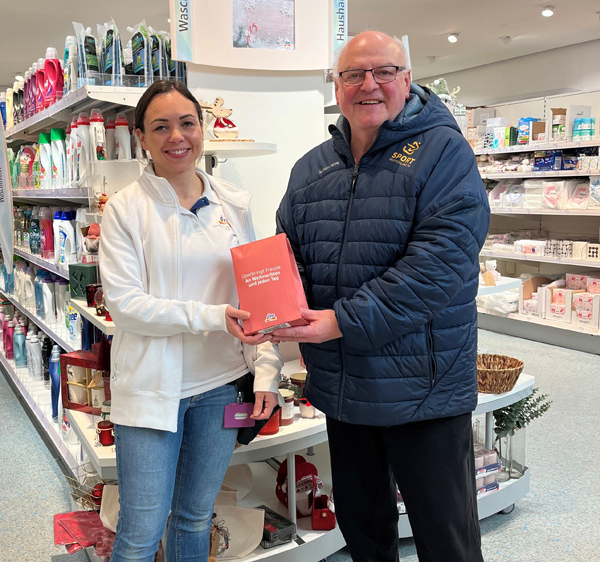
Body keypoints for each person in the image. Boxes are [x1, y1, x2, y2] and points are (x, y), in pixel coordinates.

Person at [273, 31, 490, 562]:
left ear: (407, 80)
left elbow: (439, 267)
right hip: (345, 389)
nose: (368, 84)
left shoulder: (444, 154)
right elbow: (289, 256)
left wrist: (340, 322)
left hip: (424, 389)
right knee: (364, 533)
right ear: (337, 87)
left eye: (384, 71)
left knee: (446, 539)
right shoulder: (311, 169)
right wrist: (270, 306)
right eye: (353, 74)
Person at [99, 80, 282, 562]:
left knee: (195, 518)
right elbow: (126, 304)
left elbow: (256, 293)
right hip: (151, 389)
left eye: (187, 123)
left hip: (221, 386)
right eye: (161, 127)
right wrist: (212, 317)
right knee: (141, 531)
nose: (177, 136)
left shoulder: (233, 203)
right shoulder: (125, 209)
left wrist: (266, 370)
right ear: (141, 137)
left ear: (203, 129)